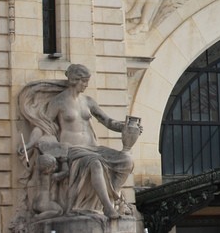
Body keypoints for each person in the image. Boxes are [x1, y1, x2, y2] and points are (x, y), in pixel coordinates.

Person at [18, 65, 141, 219]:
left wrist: (126, 127)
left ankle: (111, 198)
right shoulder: (58, 102)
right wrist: (29, 144)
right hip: (73, 149)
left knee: (126, 160)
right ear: (74, 80)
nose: (86, 85)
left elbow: (108, 121)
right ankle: (108, 208)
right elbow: (43, 126)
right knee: (94, 163)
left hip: (94, 148)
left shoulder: (88, 101)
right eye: (84, 81)